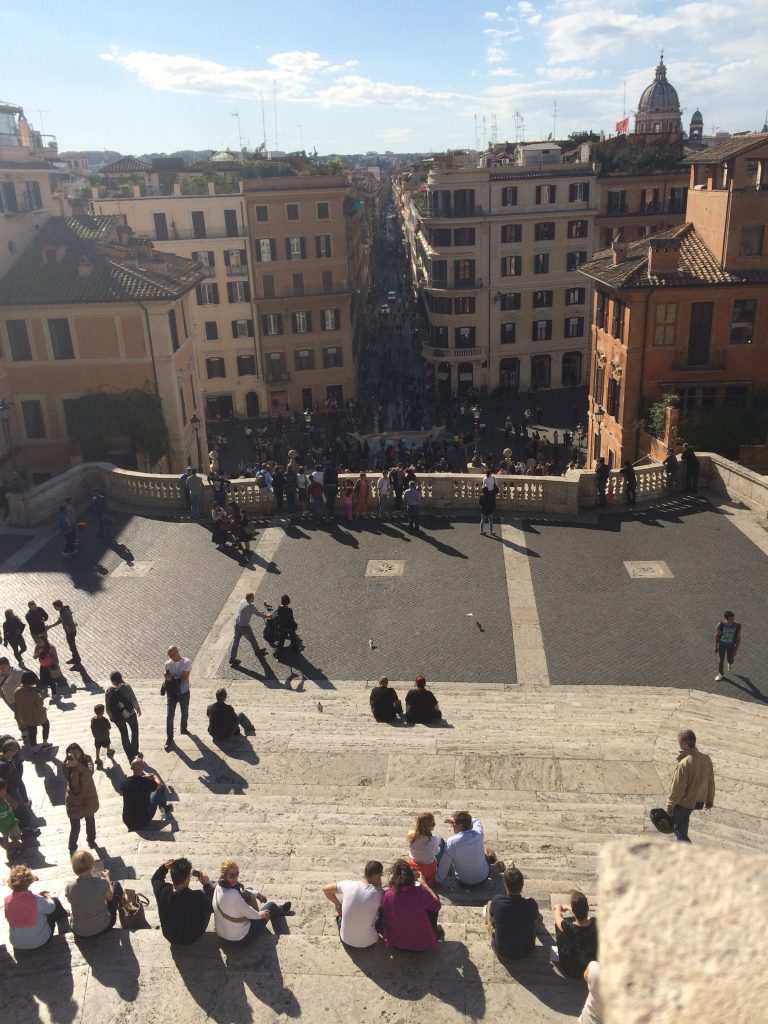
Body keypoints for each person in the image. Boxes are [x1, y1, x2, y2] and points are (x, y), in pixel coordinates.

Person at [213, 859, 291, 943]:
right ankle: (280, 910)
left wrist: (257, 894)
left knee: (249, 890)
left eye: (237, 874)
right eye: (231, 875)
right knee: (271, 906)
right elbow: (250, 913)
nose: (235, 878)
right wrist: (260, 914)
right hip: (241, 938)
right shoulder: (234, 895)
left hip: (222, 935)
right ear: (224, 876)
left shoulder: (219, 887)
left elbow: (242, 891)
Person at [3, 865, 70, 950]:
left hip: (17, 943)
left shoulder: (7, 901)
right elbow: (51, 908)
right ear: (29, 882)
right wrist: (47, 895)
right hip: (40, 941)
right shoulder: (37, 900)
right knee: (55, 901)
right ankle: (64, 930)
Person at [381, 859, 442, 951]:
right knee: (434, 898)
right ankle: (435, 931)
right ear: (411, 877)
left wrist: (391, 883)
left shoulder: (387, 894)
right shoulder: (421, 893)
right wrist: (424, 884)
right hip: (422, 944)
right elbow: (437, 905)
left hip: (397, 944)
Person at [667, 729, 715, 842]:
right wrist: (709, 799)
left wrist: (670, 805)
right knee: (683, 825)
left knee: (679, 831)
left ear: (684, 743)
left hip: (684, 802)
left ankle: (689, 853)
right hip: (697, 801)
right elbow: (711, 781)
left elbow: (677, 788)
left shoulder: (685, 763)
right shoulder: (706, 759)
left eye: (679, 741)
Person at [152, 857, 214, 944]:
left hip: (169, 936)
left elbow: (156, 879)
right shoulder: (198, 897)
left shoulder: (162, 890)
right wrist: (207, 885)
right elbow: (213, 906)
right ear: (188, 878)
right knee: (208, 904)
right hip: (192, 936)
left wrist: (164, 867)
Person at [321, 860, 384, 948]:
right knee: (381, 912)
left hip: (345, 940)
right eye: (381, 875)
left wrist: (338, 905)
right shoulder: (380, 893)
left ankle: (339, 915)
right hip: (369, 942)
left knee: (344, 910)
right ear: (377, 875)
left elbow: (325, 889)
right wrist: (379, 884)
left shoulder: (348, 884)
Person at [65, 850, 124, 938]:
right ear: (92, 864)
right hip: (103, 927)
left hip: (79, 932)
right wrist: (107, 877)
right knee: (116, 885)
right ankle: (125, 914)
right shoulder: (102, 882)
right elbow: (110, 897)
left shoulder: (69, 887)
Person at [485, 866, 539, 960]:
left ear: (505, 885)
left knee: (490, 906)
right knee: (536, 916)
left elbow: (492, 918)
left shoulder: (497, 901)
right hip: (527, 951)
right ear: (522, 885)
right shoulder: (531, 904)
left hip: (502, 951)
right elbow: (536, 919)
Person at [436, 811, 500, 887]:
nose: (452, 825)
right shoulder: (478, 833)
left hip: (464, 882)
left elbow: (444, 864)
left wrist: (438, 880)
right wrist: (463, 822)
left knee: (442, 846)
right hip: (483, 878)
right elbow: (476, 820)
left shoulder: (452, 842)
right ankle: (491, 861)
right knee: (483, 853)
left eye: (454, 824)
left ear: (460, 826)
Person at [63, 743, 99, 854]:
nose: (73, 755)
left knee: (90, 821)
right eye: (71, 753)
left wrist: (77, 764)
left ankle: (91, 840)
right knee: (75, 827)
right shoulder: (66, 764)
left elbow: (89, 772)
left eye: (76, 753)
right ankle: (72, 847)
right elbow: (67, 777)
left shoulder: (87, 759)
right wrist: (70, 765)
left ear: (80, 751)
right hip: (73, 800)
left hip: (88, 797)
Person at [553, 890, 598, 976]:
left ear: (574, 911)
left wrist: (558, 907)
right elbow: (588, 918)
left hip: (570, 969)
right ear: (587, 909)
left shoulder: (568, 926)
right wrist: (572, 909)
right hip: (589, 967)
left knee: (559, 925)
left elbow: (557, 916)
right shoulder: (596, 923)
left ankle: (559, 951)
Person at [121, 757, 172, 831]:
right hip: (142, 821)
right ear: (142, 768)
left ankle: (163, 808)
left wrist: (144, 777)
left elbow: (136, 783)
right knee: (161, 789)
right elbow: (159, 785)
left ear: (131, 768)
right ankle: (163, 808)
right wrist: (154, 776)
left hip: (128, 821)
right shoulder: (145, 783)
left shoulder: (125, 782)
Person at [105, 671, 141, 760]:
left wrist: (111, 716)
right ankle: (135, 750)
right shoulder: (126, 687)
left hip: (118, 717)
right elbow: (133, 698)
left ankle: (129, 755)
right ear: (120, 677)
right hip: (130, 713)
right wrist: (137, 708)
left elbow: (107, 707)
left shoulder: (109, 691)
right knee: (134, 730)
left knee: (124, 734)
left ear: (111, 680)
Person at [163, 645, 191, 752]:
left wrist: (172, 679)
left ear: (178, 651)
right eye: (170, 656)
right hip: (172, 694)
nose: (172, 657)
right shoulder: (168, 664)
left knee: (185, 712)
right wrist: (168, 679)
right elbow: (171, 678)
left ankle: (183, 728)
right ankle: (169, 738)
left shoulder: (186, 662)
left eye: (173, 654)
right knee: (169, 716)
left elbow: (185, 677)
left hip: (183, 692)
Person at [14, 671, 51, 751]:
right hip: (37, 716)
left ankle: (34, 749)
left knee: (32, 732)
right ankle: (45, 743)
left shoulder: (17, 691)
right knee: (46, 725)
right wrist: (42, 696)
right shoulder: (34, 693)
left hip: (25, 716)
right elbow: (39, 704)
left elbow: (17, 701)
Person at [229, 592, 267, 667]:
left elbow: (255, 612)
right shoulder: (250, 606)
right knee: (252, 639)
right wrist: (267, 616)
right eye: (253, 597)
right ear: (250, 598)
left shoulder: (242, 601)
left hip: (237, 625)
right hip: (245, 627)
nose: (254, 598)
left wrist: (260, 613)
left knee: (235, 642)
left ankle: (232, 659)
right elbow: (258, 614)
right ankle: (257, 652)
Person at [407, 812, 444, 887]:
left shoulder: (411, 836)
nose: (435, 825)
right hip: (428, 868)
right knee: (441, 841)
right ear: (429, 827)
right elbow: (437, 851)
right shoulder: (432, 840)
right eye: (433, 824)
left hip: (414, 864)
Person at [48, 600, 81, 669]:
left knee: (73, 647)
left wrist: (69, 627)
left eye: (55, 606)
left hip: (70, 632)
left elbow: (69, 621)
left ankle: (78, 662)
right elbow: (59, 621)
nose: (54, 608)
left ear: (58, 606)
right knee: (71, 646)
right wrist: (51, 626)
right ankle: (74, 658)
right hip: (70, 631)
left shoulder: (64, 613)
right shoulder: (62, 611)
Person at [0, 778, 23, 860]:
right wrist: (14, 821)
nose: (5, 792)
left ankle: (8, 852)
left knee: (5, 838)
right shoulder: (1, 803)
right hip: (9, 824)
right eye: (4, 790)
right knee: (16, 836)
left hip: (2, 827)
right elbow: (4, 818)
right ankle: (13, 850)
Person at [0, 657, 25, 734]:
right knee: (18, 714)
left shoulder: (19, 672)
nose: (2, 670)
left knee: (18, 715)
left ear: (9, 665)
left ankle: (24, 730)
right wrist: (5, 699)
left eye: (3, 667)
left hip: (22, 699)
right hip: (10, 700)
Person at [714, 610, 740, 681]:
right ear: (726, 619)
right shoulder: (721, 624)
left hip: (731, 646)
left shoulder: (737, 626)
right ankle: (721, 674)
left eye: (733, 619)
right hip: (722, 645)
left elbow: (738, 639)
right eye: (731, 619)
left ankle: (730, 663)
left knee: (730, 659)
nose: (733, 620)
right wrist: (715, 646)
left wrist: (735, 650)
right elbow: (717, 635)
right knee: (721, 660)